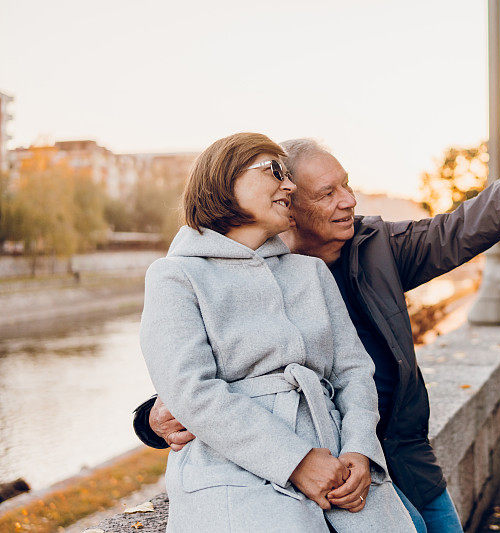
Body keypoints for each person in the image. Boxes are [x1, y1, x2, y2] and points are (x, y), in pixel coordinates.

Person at [134, 108, 500, 532]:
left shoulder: (377, 248)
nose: (349, 201)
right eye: (326, 193)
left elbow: (458, 230)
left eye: (347, 185)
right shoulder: (195, 274)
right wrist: (153, 418)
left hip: (396, 461)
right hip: (303, 474)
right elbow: (197, 382)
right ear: (292, 206)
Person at [139, 132, 415, 532]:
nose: (289, 185)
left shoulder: (311, 273)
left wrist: (360, 450)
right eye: (275, 171)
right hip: (236, 468)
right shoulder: (175, 276)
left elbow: (354, 371)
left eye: (289, 174)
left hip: (340, 461)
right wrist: (296, 461)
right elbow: (191, 391)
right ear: (223, 180)